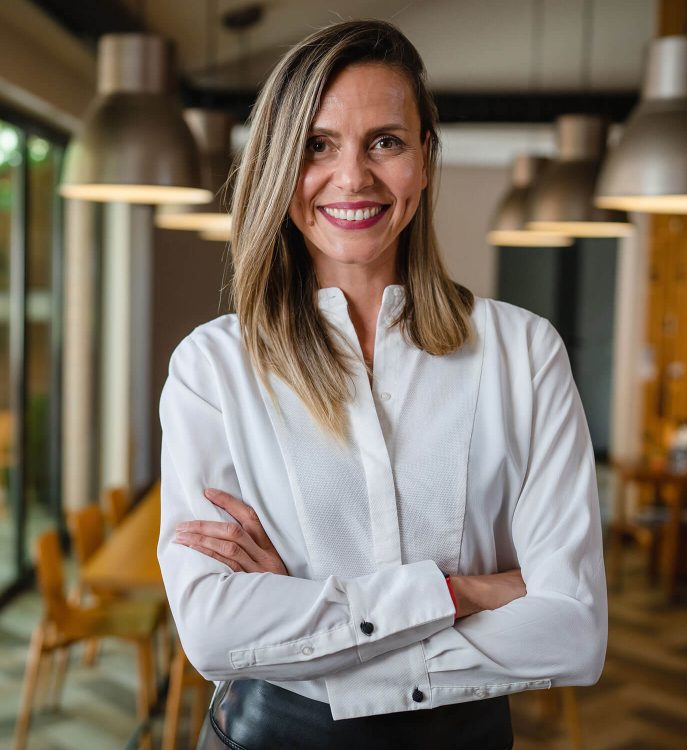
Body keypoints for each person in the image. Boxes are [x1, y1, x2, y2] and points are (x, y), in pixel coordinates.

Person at [157, 19, 607, 750]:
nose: (353, 177)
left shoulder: (524, 352)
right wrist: (464, 592)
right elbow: (213, 631)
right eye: (317, 145)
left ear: (424, 157)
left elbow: (573, 632)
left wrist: (305, 612)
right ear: (279, 165)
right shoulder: (215, 369)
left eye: (385, 142)